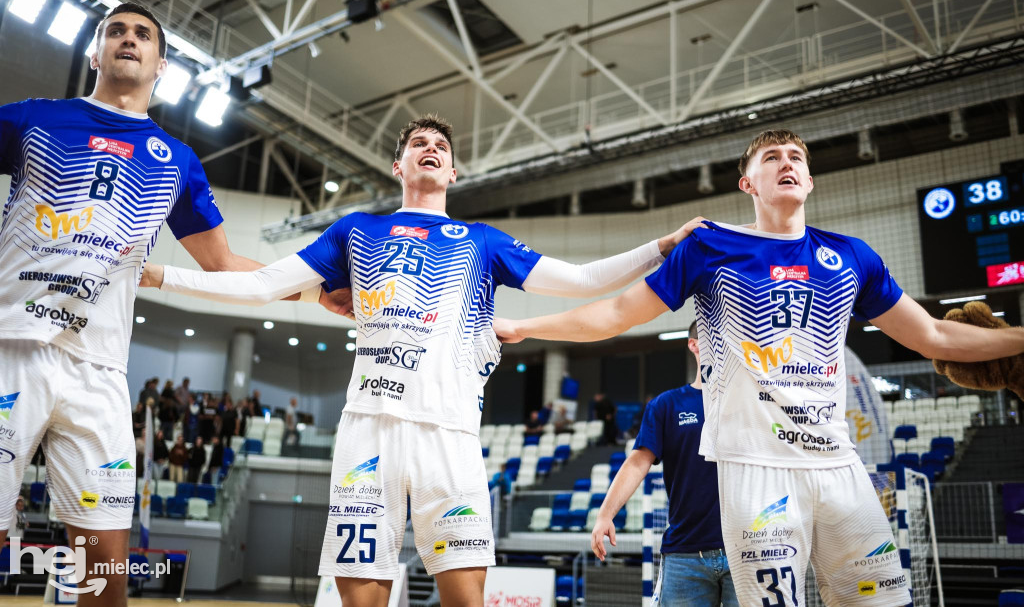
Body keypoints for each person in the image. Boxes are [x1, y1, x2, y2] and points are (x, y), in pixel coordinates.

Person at [138, 114, 699, 607]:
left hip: (449, 436)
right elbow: (261, 285)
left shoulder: (481, 241)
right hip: (368, 434)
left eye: (442, 147)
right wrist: (159, 274)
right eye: (419, 143)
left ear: (453, 173)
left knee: (464, 601)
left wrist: (661, 247)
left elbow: (581, 281)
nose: (431, 148)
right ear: (397, 164)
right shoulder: (356, 230)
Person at [494, 129, 1024, 605]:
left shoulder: (852, 256)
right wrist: (525, 327)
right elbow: (614, 313)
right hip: (755, 469)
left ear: (810, 180)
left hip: (839, 468)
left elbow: (932, 333)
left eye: (796, 157)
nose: (786, 162)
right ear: (748, 183)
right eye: (771, 157)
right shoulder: (710, 246)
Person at [0, 1, 353, 606]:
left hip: (100, 373)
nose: (128, 40)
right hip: (11, 349)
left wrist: (320, 290)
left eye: (143, 35)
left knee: (104, 578)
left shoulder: (175, 160)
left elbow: (225, 265)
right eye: (115, 31)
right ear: (95, 53)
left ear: (160, 64)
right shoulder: (36, 118)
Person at [591, 321, 736, 606]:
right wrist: (605, 515)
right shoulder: (667, 405)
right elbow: (636, 463)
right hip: (686, 555)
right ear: (694, 345)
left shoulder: (754, 402)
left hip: (747, 549)